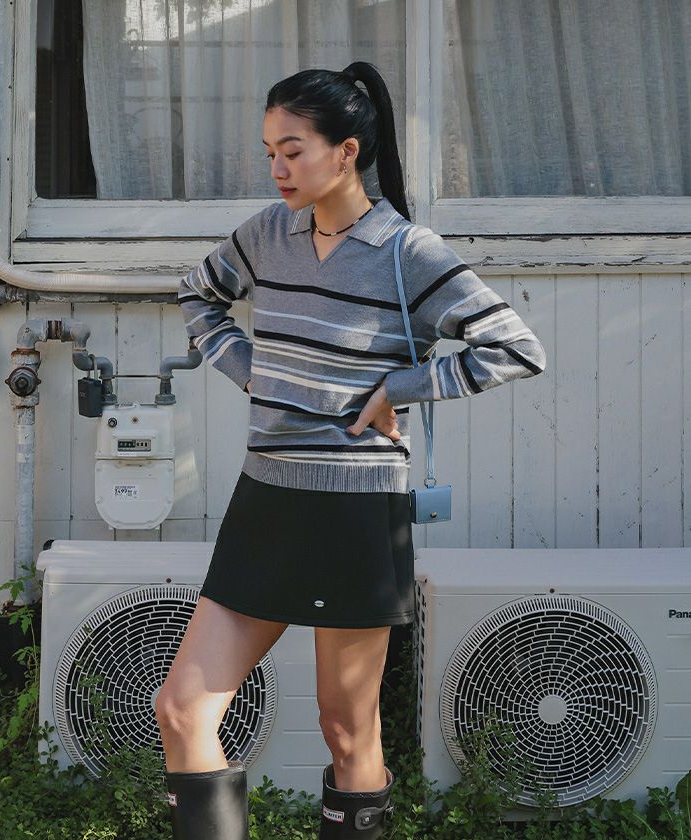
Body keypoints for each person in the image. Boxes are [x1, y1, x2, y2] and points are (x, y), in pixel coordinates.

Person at [155, 61, 546, 840]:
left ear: (346, 151)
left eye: (292, 151)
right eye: (270, 152)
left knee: (347, 731)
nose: (277, 169)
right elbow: (198, 295)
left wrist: (403, 386)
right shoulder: (266, 235)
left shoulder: (407, 251)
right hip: (267, 503)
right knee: (181, 708)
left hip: (356, 513)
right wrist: (250, 369)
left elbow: (515, 348)